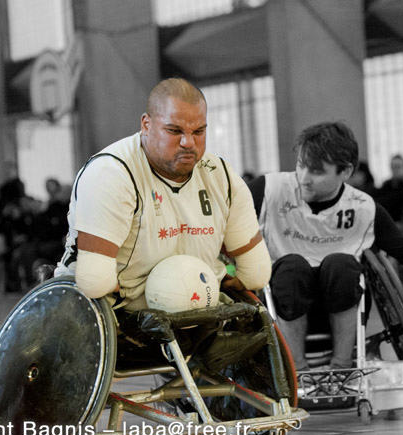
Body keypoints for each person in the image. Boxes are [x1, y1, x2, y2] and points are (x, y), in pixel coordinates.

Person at [56, 77, 271, 315]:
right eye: (174, 130)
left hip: (200, 309)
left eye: (198, 131)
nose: (188, 142)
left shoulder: (223, 175)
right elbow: (95, 282)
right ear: (146, 125)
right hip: (117, 313)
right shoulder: (110, 173)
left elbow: (256, 272)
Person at [248, 121, 403, 371]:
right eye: (301, 165)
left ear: (345, 171)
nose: (304, 178)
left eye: (317, 171)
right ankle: (296, 369)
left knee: (340, 263)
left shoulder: (363, 207)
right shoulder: (268, 190)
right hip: (284, 303)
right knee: (292, 266)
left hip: (343, 304)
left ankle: (342, 366)